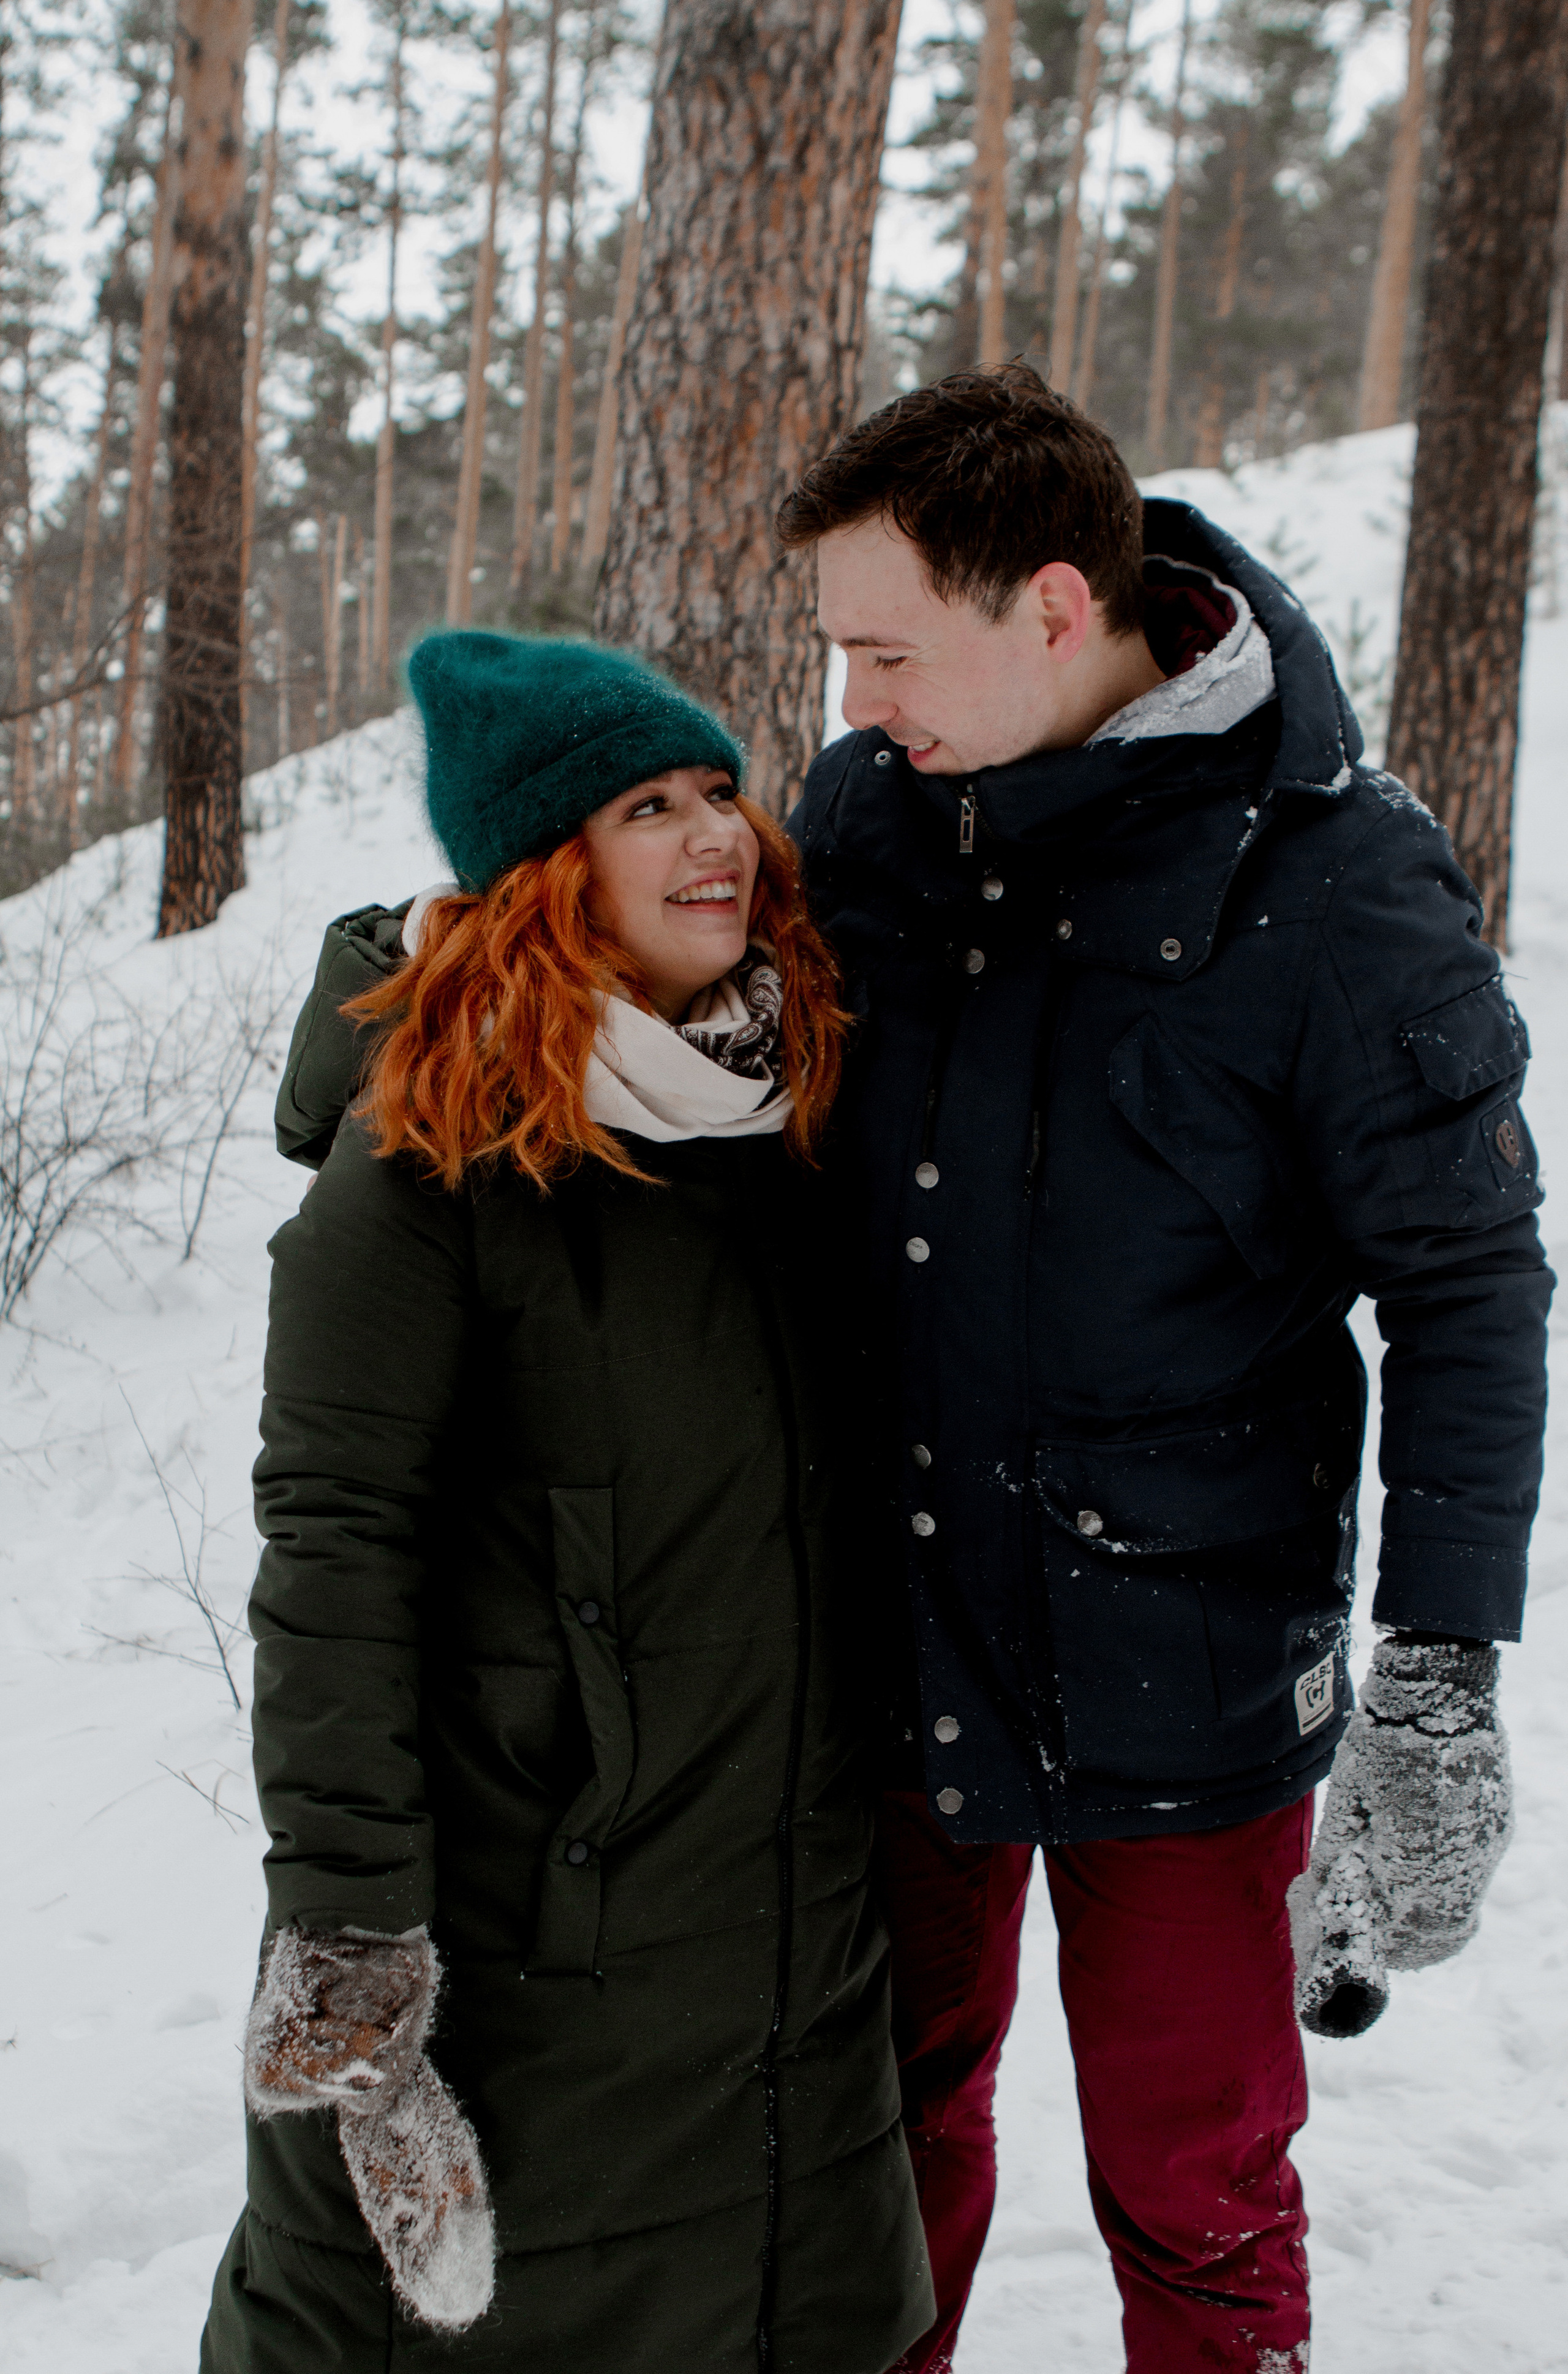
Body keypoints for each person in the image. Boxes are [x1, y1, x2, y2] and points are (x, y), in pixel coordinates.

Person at [773, 362, 1550, 2373]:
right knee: (872, 2149)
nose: (852, 697)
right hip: (905, 1630)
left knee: (1197, 2191)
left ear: (1050, 603)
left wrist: (1442, 1673)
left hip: (1189, 1670)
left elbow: (1468, 1278)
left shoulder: (1335, 871)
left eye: (886, 645)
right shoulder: (871, 813)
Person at [200, 632, 933, 2374]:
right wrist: (358, 1970)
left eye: (720, 791)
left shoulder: (785, 1109)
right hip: (536, 1964)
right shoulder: (427, 1163)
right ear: (550, 868)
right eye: (647, 803)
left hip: (784, 1970)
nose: (717, 835)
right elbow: (333, 1559)